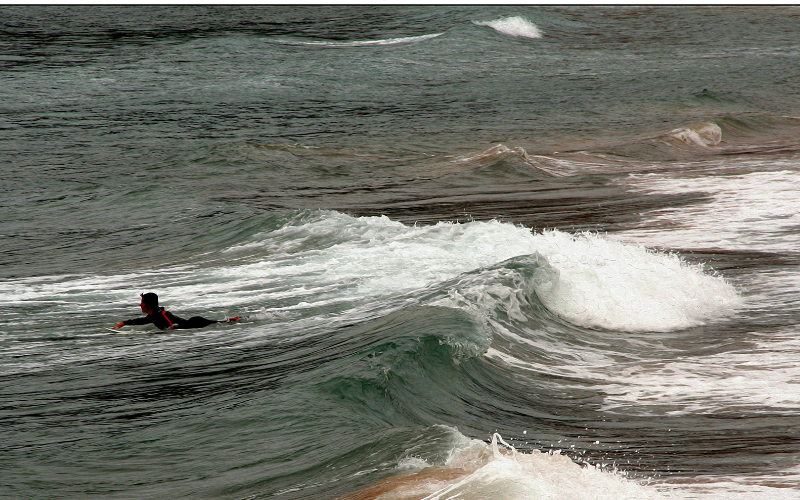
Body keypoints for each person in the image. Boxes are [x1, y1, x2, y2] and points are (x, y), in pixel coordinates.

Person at [112, 293, 239, 330]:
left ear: (149, 305)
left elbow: (170, 320)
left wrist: (172, 328)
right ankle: (237, 319)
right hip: (192, 324)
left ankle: (240, 319)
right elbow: (142, 321)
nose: (140, 304)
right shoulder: (153, 316)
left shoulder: (161, 314)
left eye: (142, 302)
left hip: (195, 323)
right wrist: (124, 323)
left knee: (222, 323)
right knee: (221, 322)